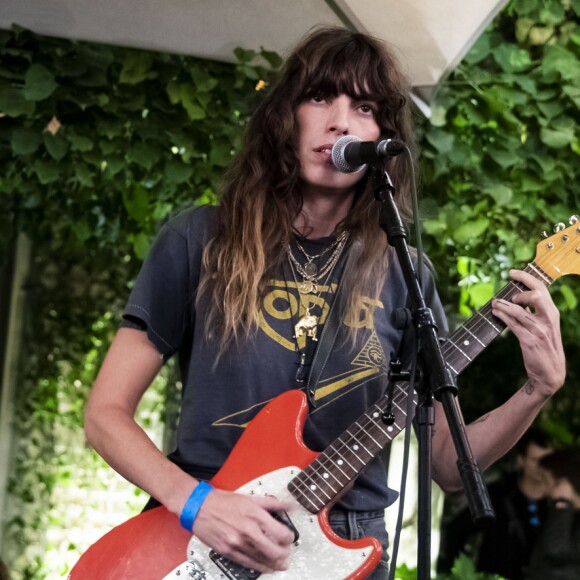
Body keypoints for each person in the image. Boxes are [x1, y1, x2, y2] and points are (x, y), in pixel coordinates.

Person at [84, 26, 566, 579]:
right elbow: (104, 415)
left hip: (346, 547)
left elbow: (449, 468)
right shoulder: (200, 239)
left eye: (364, 107)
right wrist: (197, 503)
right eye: (320, 97)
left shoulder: (404, 272)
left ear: (383, 138)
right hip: (202, 530)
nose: (340, 120)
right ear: (285, 116)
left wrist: (536, 391)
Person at [437, 428, 553, 579]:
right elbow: (457, 530)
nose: (542, 467)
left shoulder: (560, 499)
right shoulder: (499, 493)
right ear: (521, 460)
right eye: (536, 460)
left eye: (547, 460)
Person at [527, 448, 580, 580]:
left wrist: (562, 503)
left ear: (564, 483)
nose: (545, 488)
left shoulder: (562, 510)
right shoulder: (566, 513)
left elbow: (555, 549)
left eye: (546, 480)